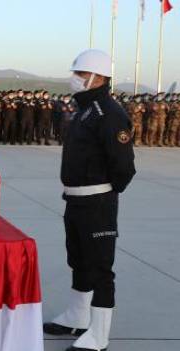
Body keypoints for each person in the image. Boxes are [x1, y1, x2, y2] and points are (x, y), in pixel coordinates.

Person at [44, 49, 135, 351]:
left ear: (99, 78)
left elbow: (123, 167)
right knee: (79, 261)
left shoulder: (109, 113)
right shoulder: (84, 110)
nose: (76, 79)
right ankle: (77, 318)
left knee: (100, 268)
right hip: (76, 201)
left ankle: (98, 336)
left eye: (81, 75)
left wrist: (103, 194)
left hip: (97, 202)